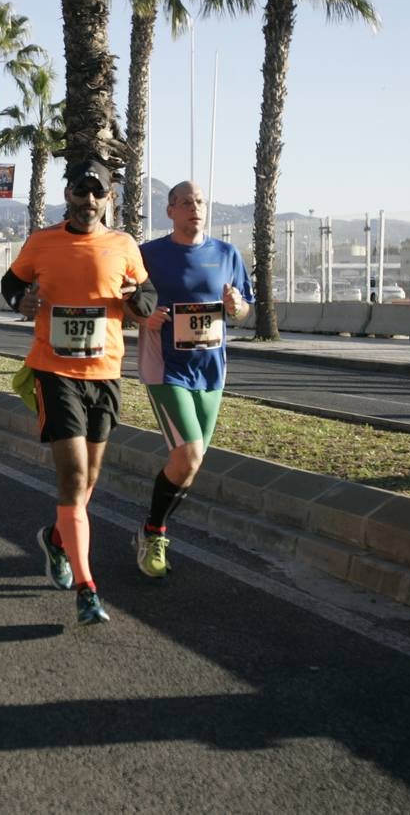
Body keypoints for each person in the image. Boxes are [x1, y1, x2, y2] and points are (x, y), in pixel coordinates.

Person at [0, 159, 153, 626]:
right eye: (81, 191)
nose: (88, 201)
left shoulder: (124, 245)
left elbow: (148, 299)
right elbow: (11, 283)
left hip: (105, 374)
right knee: (72, 478)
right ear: (68, 194)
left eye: (97, 193)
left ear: (108, 199)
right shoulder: (42, 242)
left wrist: (133, 299)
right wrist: (19, 301)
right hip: (54, 371)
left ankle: (56, 540)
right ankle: (88, 590)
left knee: (89, 483)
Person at [132, 181, 252, 578]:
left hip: (211, 371)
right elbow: (121, 301)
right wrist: (142, 317)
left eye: (199, 201)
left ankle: (153, 528)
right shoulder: (149, 254)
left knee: (189, 464)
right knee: (189, 455)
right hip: (166, 369)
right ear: (170, 211)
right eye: (184, 203)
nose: (193, 208)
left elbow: (244, 309)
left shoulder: (226, 253)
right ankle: (154, 532)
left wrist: (237, 307)